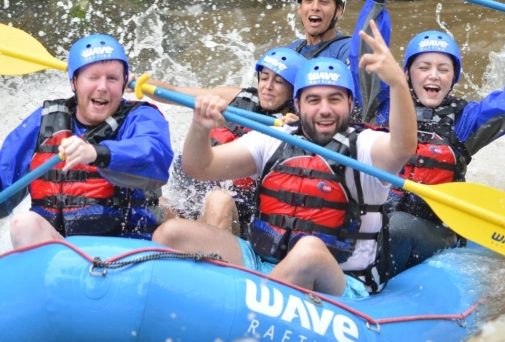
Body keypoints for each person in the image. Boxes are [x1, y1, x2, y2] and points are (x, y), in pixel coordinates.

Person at [152, 22, 417, 298]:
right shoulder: (275, 137)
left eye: (334, 99)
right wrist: (200, 126)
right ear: (298, 104)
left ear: (350, 105)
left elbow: (403, 146)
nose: (324, 109)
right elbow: (200, 167)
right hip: (261, 264)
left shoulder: (364, 147)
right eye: (313, 100)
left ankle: (237, 310)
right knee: (172, 234)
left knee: (309, 251)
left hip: (339, 281)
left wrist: (398, 84)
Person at [387, 7, 505, 277]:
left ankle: (362, 291)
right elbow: (361, 59)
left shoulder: (466, 121)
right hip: (378, 216)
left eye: (444, 69)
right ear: (407, 74)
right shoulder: (385, 108)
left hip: (433, 228)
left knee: (395, 227)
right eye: (423, 67)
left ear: (453, 78)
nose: (433, 75)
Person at [0, 34, 174, 247]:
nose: (102, 87)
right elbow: (4, 181)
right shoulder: (44, 121)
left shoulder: (141, 117)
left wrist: (96, 153)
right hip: (58, 251)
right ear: (73, 82)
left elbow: (154, 155)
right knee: (23, 224)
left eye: (112, 78)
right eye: (93, 77)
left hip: (127, 250)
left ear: (123, 83)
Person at [138, 48, 306, 237]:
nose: (267, 86)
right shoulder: (235, 97)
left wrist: (293, 130)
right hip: (192, 201)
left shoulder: (295, 127)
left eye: (278, 81)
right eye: (264, 77)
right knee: (157, 204)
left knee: (220, 201)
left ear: (293, 90)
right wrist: (139, 84)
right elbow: (176, 92)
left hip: (236, 216)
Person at [289, 0, 397, 123]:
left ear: (339, 10)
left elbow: (365, 52)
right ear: (300, 8)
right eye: (308, 1)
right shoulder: (291, 51)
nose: (315, 7)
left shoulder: (348, 50)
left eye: (324, 2)